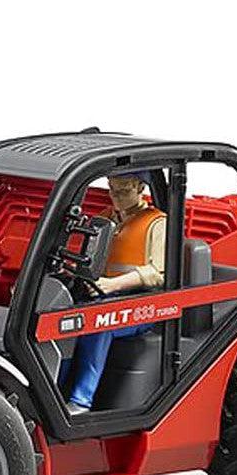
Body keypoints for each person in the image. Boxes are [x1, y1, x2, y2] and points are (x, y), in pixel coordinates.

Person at [64, 173, 166, 415]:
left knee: (101, 322)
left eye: (123, 191)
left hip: (142, 302)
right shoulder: (104, 219)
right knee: (62, 319)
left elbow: (158, 273)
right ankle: (53, 390)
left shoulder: (156, 223)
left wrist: (113, 285)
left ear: (140, 188)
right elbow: (88, 259)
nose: (115, 196)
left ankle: (81, 400)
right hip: (101, 292)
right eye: (112, 190)